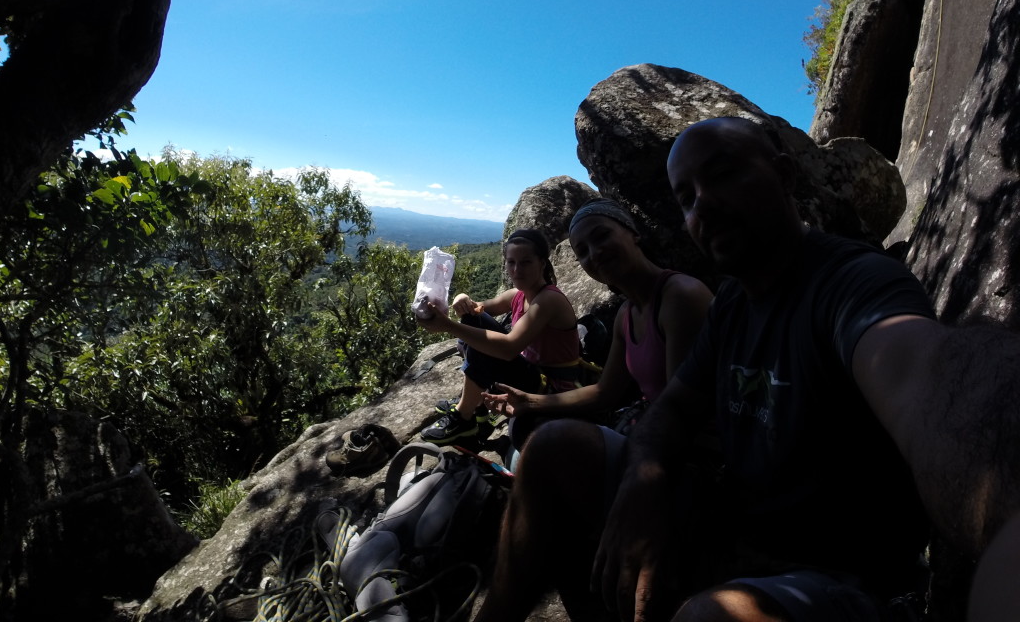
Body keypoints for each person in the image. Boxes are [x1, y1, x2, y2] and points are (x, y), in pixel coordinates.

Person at [473, 116, 1020, 622]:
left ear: (784, 176)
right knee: (549, 450)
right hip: (734, 521)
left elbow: (923, 373)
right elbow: (669, 411)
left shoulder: (851, 285)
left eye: (724, 175)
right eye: (686, 197)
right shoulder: (733, 305)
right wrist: (645, 481)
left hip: (833, 569)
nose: (703, 205)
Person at [482, 198, 713, 445]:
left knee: (543, 447)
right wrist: (527, 402)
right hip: (655, 427)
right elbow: (605, 392)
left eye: (602, 236)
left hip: (694, 445)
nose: (595, 253)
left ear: (633, 233)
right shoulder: (626, 315)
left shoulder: (679, 297)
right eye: (582, 251)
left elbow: (682, 411)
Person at [415, 228, 580, 445]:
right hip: (532, 375)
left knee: (484, 341)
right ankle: (478, 405)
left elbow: (508, 348)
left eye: (525, 262)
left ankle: (464, 418)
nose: (516, 270)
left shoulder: (549, 300)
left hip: (550, 388)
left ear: (542, 263)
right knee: (474, 324)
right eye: (511, 262)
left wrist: (447, 326)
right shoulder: (518, 296)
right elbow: (476, 311)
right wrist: (462, 299)